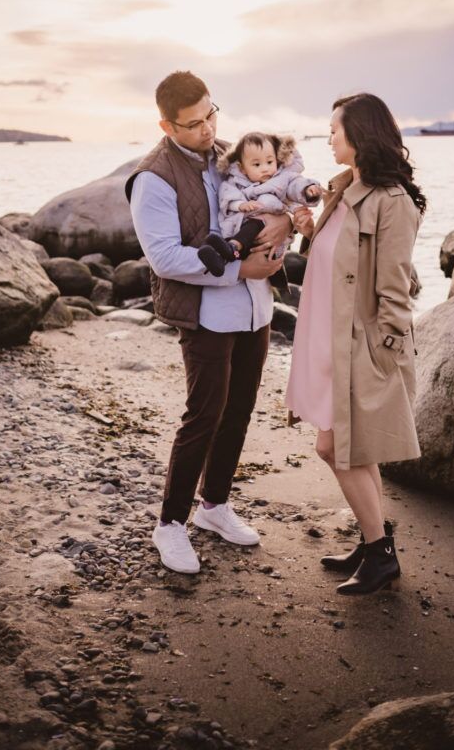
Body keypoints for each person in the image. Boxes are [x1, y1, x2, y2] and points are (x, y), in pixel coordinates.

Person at [125, 72, 291, 574]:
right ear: (167, 124)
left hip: (256, 308)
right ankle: (170, 525)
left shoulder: (231, 156)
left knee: (239, 409)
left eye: (211, 115)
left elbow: (275, 200)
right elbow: (165, 259)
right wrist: (240, 268)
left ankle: (214, 507)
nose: (207, 129)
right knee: (204, 415)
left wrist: (282, 229)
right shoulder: (152, 177)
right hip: (205, 315)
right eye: (193, 124)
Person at [286, 92, 426, 596]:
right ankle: (373, 542)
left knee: (336, 447)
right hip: (327, 338)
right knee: (353, 449)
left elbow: (395, 288)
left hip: (361, 345)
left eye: (333, 129)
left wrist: (385, 352)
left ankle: (380, 554)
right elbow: (333, 260)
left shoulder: (392, 203)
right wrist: (308, 229)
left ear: (359, 134)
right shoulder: (345, 190)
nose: (327, 137)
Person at [197, 132, 322, 278]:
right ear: (242, 168)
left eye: (270, 162)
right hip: (242, 231)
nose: (265, 168)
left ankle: (231, 248)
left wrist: (308, 189)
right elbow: (227, 195)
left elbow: (295, 185)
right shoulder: (236, 182)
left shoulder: (282, 178)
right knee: (247, 229)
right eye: (257, 164)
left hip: (268, 237)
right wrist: (240, 205)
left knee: (256, 223)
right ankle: (220, 256)